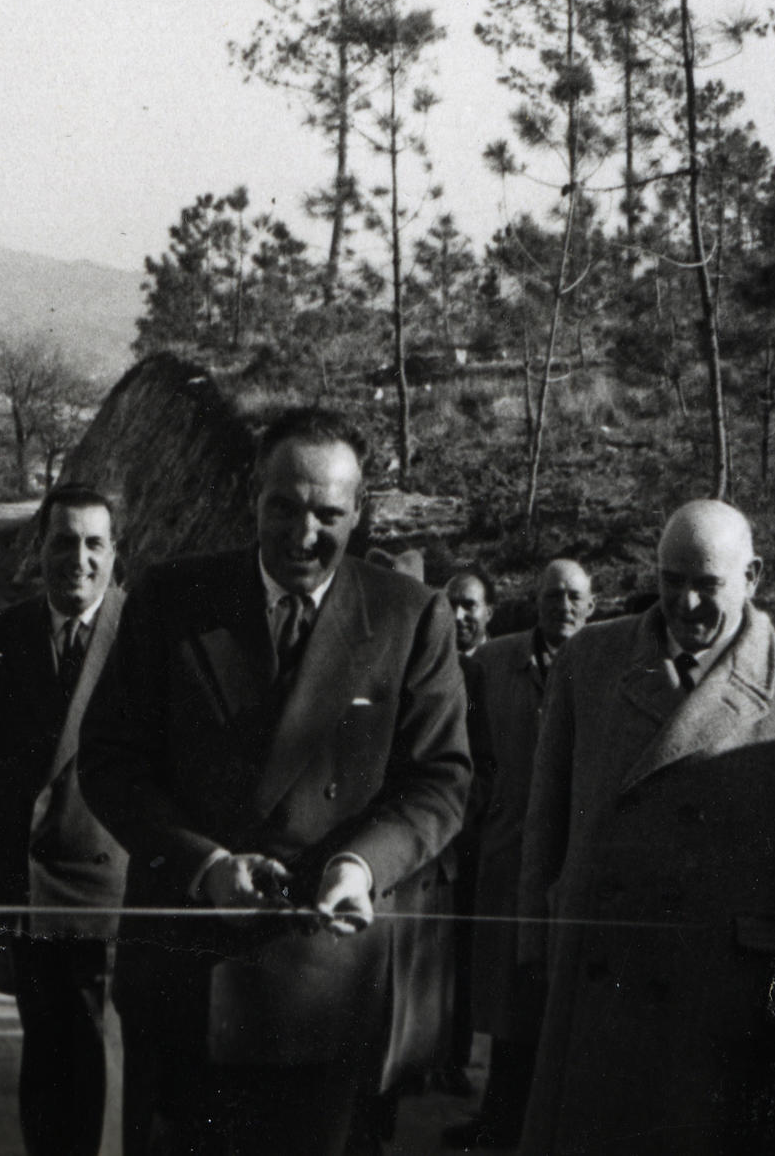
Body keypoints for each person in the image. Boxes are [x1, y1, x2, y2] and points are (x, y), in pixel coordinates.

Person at [78, 407, 471, 1156]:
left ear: (360, 511)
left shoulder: (408, 617)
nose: (303, 534)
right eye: (283, 506)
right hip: (185, 980)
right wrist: (205, 865)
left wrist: (361, 866)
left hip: (325, 987)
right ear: (252, 495)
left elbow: (440, 779)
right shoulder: (171, 600)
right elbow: (109, 761)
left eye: (328, 513)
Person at [515, 499, 775, 1155]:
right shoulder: (590, 659)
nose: (686, 603)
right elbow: (547, 816)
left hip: (720, 1003)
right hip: (596, 983)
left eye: (707, 584)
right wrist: (537, 944)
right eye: (671, 579)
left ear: (753, 575)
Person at [0, 484, 131, 1156]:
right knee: (44, 1057)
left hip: (109, 888)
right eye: (64, 540)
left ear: (116, 553)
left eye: (94, 543)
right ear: (40, 547)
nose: (78, 558)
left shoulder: (143, 635)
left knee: (98, 1062)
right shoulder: (0, 635)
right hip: (27, 885)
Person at [445, 560, 593, 1151]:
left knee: (563, 999)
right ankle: (500, 1119)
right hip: (505, 854)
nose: (563, 605)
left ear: (592, 602)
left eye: (574, 596)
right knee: (508, 1001)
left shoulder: (609, 664)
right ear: (535, 601)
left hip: (573, 856)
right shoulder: (493, 663)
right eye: (552, 594)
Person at [429, 569, 496, 1100]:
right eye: (452, 604)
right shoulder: (431, 664)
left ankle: (454, 1057)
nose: (460, 616)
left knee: (465, 956)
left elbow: (488, 764)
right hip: (425, 838)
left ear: (489, 612)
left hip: (469, 836)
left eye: (471, 605)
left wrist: (461, 823)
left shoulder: (490, 675)